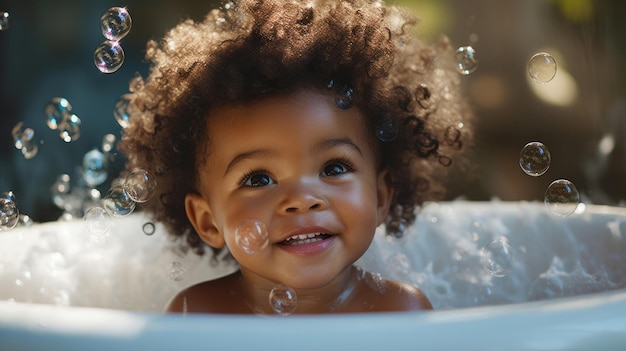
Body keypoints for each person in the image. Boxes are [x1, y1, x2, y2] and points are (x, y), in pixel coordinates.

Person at [118, 0, 472, 314]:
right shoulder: (196, 315)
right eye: (258, 179)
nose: (302, 201)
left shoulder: (400, 312)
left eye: (334, 167)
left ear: (380, 197)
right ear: (209, 221)